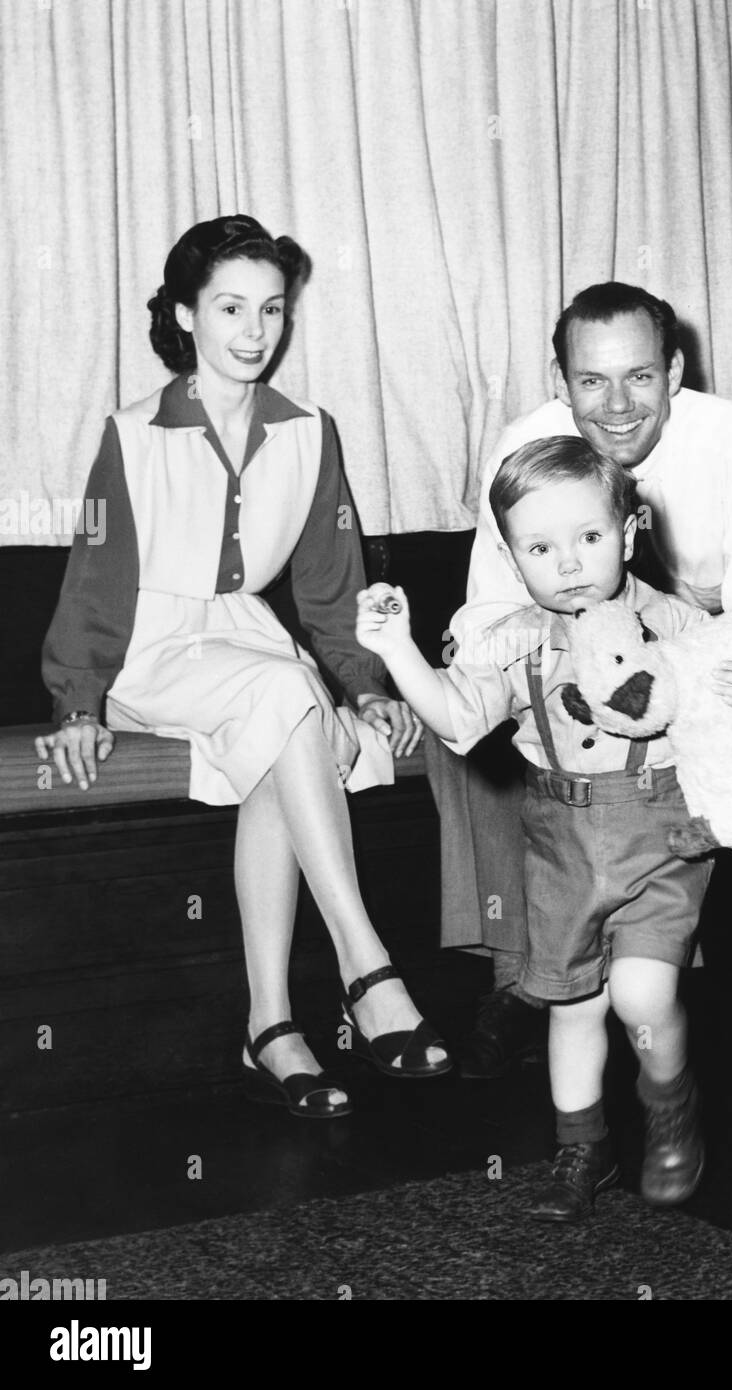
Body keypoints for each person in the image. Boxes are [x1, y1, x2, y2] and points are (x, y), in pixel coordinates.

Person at [36, 215, 450, 1117]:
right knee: (282, 695)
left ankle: (271, 1029)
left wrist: (369, 687)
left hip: (253, 643)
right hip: (153, 650)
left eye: (271, 308)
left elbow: (331, 586)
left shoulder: (308, 431)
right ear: (186, 314)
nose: (254, 331)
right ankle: (364, 961)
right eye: (230, 308)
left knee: (284, 715)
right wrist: (77, 701)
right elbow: (97, 577)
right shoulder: (133, 433)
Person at [433, 281, 732, 1084]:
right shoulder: (526, 446)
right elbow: (488, 608)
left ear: (673, 368)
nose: (617, 404)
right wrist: (515, 662)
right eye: (591, 381)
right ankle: (521, 978)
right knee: (468, 719)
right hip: (569, 644)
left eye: (639, 376)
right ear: (560, 382)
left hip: (711, 630)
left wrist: (713, 666)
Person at [357, 437, 732, 1219]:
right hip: (559, 837)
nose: (568, 564)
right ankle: (580, 1148)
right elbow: (455, 720)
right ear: (511, 558)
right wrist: (396, 651)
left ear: (628, 532)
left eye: (588, 538)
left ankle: (668, 1097)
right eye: (540, 548)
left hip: (661, 829)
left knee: (639, 994)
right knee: (570, 1004)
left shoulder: (678, 624)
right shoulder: (513, 638)